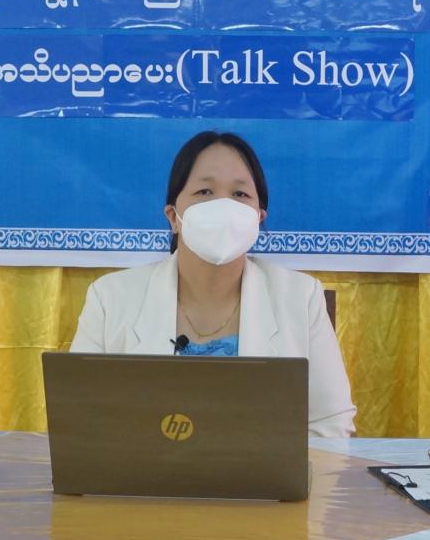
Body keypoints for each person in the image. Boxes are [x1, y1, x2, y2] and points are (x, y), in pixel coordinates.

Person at [71, 130, 356, 437]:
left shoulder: (301, 297)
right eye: (205, 191)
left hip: (261, 470)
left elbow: (330, 425)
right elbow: (79, 419)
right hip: (138, 469)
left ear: (259, 217)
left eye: (240, 194)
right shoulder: (110, 298)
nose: (223, 206)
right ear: (173, 217)